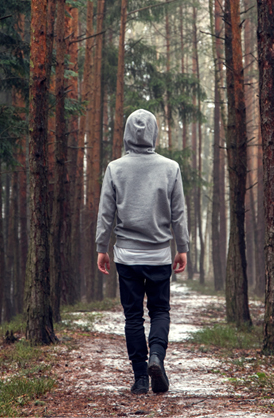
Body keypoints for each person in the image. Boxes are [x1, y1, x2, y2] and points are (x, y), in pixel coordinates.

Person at [96, 109, 189, 395]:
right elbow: (178, 213)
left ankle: (139, 379)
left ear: (127, 134)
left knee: (133, 317)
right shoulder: (170, 167)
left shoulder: (115, 168)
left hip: (127, 257)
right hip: (160, 256)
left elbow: (105, 213)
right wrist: (182, 247)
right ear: (154, 133)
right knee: (160, 310)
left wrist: (102, 247)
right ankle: (157, 357)